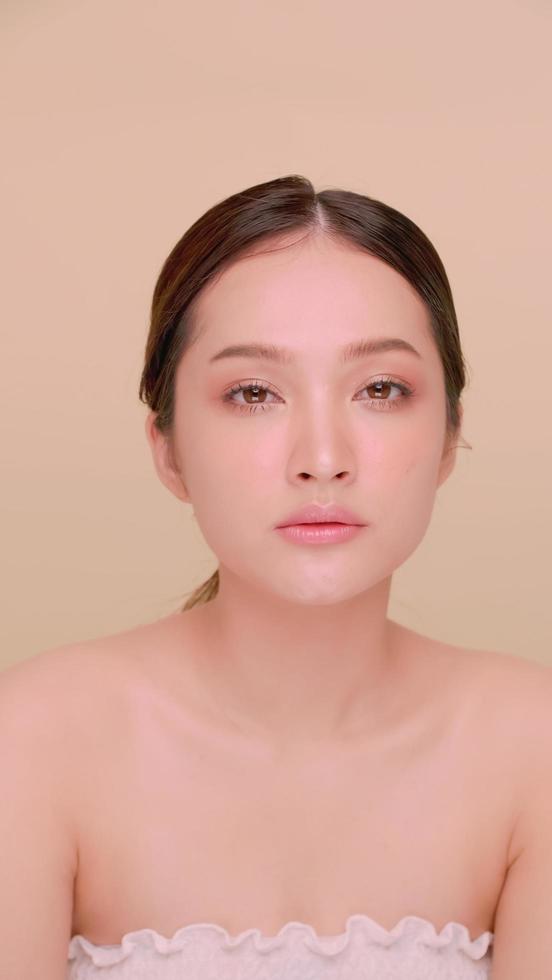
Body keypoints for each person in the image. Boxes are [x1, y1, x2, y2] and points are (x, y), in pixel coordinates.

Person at [2, 175, 551, 979]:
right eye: (253, 393)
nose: (322, 459)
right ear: (168, 447)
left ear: (448, 436)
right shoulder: (31, 743)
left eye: (380, 389)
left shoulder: (533, 747)